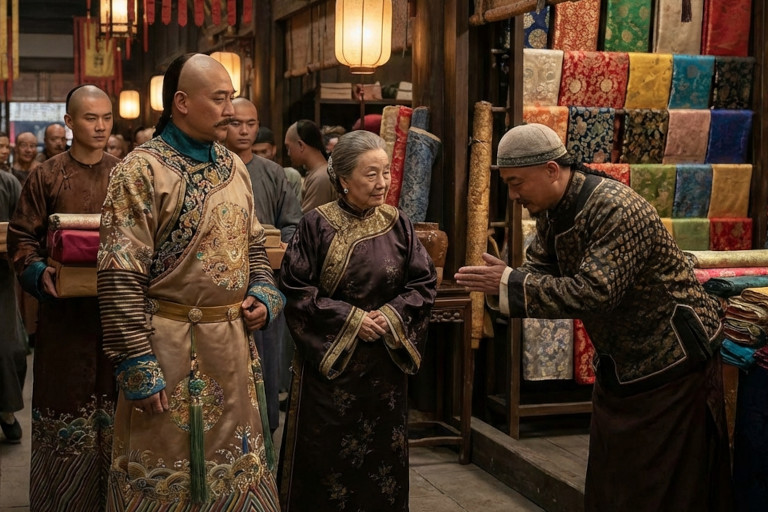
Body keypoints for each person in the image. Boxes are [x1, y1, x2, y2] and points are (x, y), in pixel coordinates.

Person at [454, 123, 732, 511]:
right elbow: (540, 271)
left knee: (664, 488)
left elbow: (595, 292)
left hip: (674, 361)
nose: (514, 195)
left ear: (552, 170)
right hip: (623, 363)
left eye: (517, 183)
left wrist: (512, 282)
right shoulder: (555, 208)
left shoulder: (615, 208)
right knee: (612, 481)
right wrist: (508, 281)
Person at [97, 53, 284, 511]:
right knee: (165, 473)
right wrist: (137, 364)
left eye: (232, 98)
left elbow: (254, 244)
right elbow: (119, 273)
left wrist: (262, 291)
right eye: (219, 99)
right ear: (181, 102)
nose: (230, 110)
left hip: (233, 350)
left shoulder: (234, 165)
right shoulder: (140, 170)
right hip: (169, 349)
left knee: (237, 473)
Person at [278, 130, 437, 511]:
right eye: (371, 174)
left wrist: (390, 315)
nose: (382, 183)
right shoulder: (316, 225)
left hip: (385, 366)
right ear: (344, 179)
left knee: (381, 462)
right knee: (326, 459)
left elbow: (424, 282)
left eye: (385, 172)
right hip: (331, 369)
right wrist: (350, 319)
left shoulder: (399, 223)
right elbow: (296, 288)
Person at [8, 84, 119, 511]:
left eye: (107, 118)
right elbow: (21, 237)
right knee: (63, 412)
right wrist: (37, 271)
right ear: (70, 122)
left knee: (117, 414)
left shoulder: (127, 172)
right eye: (91, 118)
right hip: (63, 319)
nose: (101, 126)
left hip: (114, 315)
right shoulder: (47, 174)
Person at [224, 97, 302, 434]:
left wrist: (278, 243)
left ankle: (266, 434)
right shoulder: (216, 167)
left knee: (267, 365)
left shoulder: (272, 172)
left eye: (251, 123)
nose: (244, 130)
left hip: (265, 280)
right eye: (236, 123)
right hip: (221, 284)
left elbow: (292, 224)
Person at [0, 170, 26, 444]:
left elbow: (22, 228)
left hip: (1, 279)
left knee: (12, 351)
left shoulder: (7, 183)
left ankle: (6, 410)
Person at [284, 119, 337, 213]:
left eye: (289, 147)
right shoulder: (318, 173)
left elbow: (310, 222)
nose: (288, 153)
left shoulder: (321, 177)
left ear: (301, 145)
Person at [253, 126, 303, 202]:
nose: (260, 157)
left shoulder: (290, 176)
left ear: (273, 150)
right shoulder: (245, 179)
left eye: (264, 152)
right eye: (254, 152)